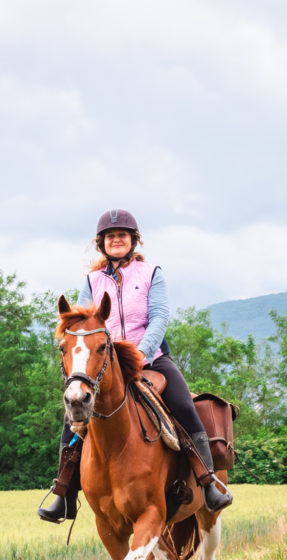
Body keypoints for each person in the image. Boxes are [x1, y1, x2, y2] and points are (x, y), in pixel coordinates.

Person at [38, 208, 233, 522]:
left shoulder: (152, 273)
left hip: (151, 358)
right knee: (72, 415)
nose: (117, 240)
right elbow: (87, 323)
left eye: (122, 236)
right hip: (105, 363)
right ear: (102, 243)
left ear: (133, 240)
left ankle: (209, 482)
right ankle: (63, 493)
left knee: (184, 404)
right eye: (111, 236)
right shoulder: (91, 280)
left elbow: (159, 318)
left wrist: (140, 355)